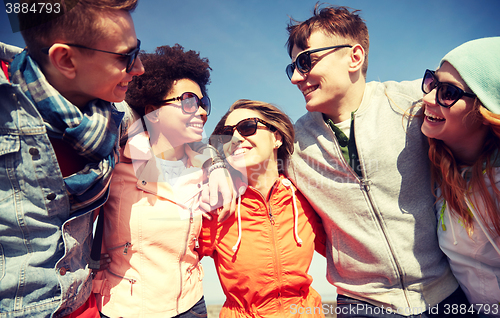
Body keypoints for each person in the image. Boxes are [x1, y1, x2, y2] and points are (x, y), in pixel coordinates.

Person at [284, 4, 473, 317]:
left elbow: (479, 103)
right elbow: (223, 149)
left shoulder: (412, 101)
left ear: (354, 57)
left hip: (446, 293)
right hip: (362, 304)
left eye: (305, 61)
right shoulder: (291, 143)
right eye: (292, 68)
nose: (296, 77)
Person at [0, 0, 144, 317]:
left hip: (83, 306)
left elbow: (165, 161)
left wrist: (219, 165)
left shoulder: (119, 116)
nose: (139, 69)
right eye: (126, 57)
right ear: (65, 59)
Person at [92, 44, 212, 318]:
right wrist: (93, 257)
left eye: (204, 103)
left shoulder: (203, 169)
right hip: (125, 307)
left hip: (192, 305)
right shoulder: (119, 163)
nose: (203, 111)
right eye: (189, 101)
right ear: (153, 111)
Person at [198, 99, 327, 317]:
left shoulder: (305, 196)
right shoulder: (216, 202)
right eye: (228, 135)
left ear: (276, 137)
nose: (237, 138)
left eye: (247, 127)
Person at [421, 37, 500, 317]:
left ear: (485, 108)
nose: (428, 98)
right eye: (431, 83)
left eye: (448, 92)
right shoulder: (432, 162)